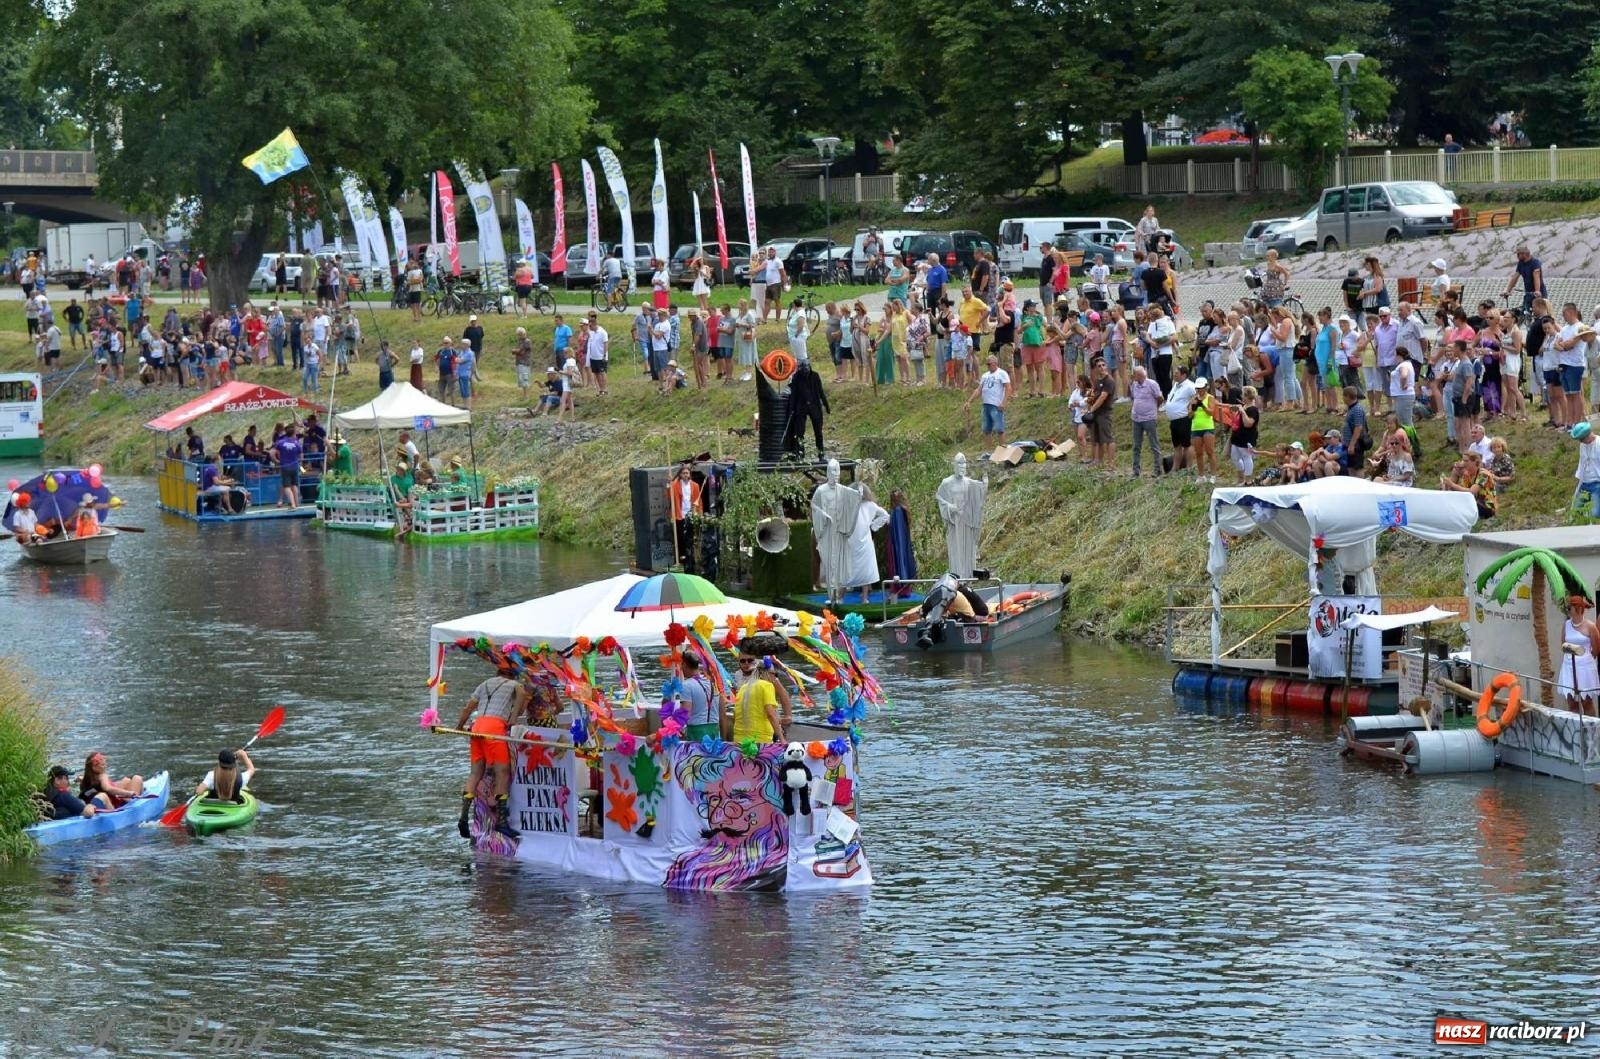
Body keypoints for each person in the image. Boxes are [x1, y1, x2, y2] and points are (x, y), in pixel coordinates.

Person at [455, 666, 531, 839]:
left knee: (475, 773)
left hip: (477, 727)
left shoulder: (484, 684)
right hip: (495, 729)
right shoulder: (515, 686)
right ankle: (502, 823)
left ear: (497, 673)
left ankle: (463, 818)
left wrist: (459, 726)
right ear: (513, 675)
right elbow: (516, 715)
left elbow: (468, 708)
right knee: (502, 773)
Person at [731, 650, 785, 744]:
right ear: (767, 673)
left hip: (739, 740)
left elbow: (735, 715)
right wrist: (782, 739)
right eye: (773, 674)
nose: (774, 678)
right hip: (760, 740)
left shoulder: (743, 687)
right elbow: (770, 714)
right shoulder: (766, 685)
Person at [965, 353, 1011, 443]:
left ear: (995, 363)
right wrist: (969, 401)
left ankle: (1002, 449)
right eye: (987, 364)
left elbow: (1008, 388)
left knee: (999, 429)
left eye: (989, 364)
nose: (987, 366)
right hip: (986, 404)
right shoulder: (985, 375)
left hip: (996, 404)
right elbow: (979, 390)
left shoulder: (1001, 373)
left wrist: (1004, 402)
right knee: (986, 429)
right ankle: (988, 451)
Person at [1129, 364, 1164, 478]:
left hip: (1149, 418)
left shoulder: (1152, 384)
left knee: (1154, 444)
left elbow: (1159, 398)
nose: (1135, 376)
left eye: (1137, 374)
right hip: (1136, 418)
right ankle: (1136, 470)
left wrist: (1154, 409)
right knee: (1136, 445)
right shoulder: (1134, 385)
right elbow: (1134, 398)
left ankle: (1157, 469)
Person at [666, 464, 702, 572]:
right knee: (680, 537)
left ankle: (691, 559)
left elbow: (698, 500)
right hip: (679, 514)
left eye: (687, 473)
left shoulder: (695, 485)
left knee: (691, 537)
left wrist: (699, 513)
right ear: (680, 475)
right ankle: (680, 559)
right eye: (684, 473)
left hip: (691, 514)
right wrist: (669, 483)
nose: (686, 475)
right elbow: (669, 496)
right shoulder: (675, 485)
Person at [1441, 451, 1497, 517]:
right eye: (1463, 460)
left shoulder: (1484, 474)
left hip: (1486, 506)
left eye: (1466, 461)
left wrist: (1452, 485)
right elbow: (1462, 491)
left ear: (1475, 462)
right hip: (1473, 502)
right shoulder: (1467, 474)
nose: (1463, 463)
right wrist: (1447, 486)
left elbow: (1472, 491)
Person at [680, 653, 720, 743]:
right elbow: (721, 712)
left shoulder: (686, 685)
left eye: (681, 665)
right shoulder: (712, 683)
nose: (681, 668)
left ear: (685, 665)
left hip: (696, 733)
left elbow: (685, 714)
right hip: (714, 731)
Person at [79, 751, 144, 807]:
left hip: (103, 801)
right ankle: (139, 801)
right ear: (94, 767)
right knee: (137, 778)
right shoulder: (102, 776)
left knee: (126, 780)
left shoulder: (87, 779)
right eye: (102, 762)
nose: (104, 762)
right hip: (116, 805)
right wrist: (129, 793)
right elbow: (108, 788)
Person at [46, 765, 111, 819]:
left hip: (62, 818)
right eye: (66, 778)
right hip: (86, 814)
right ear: (57, 780)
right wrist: (91, 806)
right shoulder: (64, 795)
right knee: (102, 796)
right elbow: (86, 812)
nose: (68, 782)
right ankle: (114, 814)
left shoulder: (47, 793)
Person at [1501, 246, 1546, 313]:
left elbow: (1536, 277)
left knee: (1540, 312)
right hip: (1528, 293)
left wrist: (1537, 291)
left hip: (1538, 293)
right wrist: (1507, 290)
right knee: (1525, 312)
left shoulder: (1535, 263)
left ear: (1524, 254)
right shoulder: (1521, 263)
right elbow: (1515, 277)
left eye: (1518, 254)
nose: (1517, 256)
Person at [274, 425, 304, 508]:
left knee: (287, 486)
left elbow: (272, 452)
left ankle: (293, 504)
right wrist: (300, 464)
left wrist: (276, 460)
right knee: (294, 485)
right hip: (294, 466)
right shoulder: (297, 444)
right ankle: (297, 503)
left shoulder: (280, 442)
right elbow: (301, 456)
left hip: (285, 466)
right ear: (293, 434)